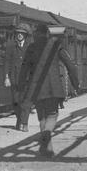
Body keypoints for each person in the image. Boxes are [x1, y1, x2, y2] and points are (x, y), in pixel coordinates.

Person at [18, 24, 79, 158]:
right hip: (53, 87)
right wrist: (76, 83)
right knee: (52, 115)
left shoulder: (31, 48)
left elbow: (23, 69)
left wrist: (21, 86)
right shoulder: (56, 46)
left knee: (42, 117)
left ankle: (46, 149)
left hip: (37, 89)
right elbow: (70, 65)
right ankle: (46, 138)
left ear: (35, 34)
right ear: (47, 34)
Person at [3, 22, 32, 131]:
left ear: (25, 35)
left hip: (27, 79)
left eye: (22, 33)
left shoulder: (30, 46)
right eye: (18, 33)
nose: (19, 35)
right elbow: (7, 62)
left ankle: (24, 123)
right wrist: (6, 77)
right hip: (14, 78)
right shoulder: (11, 46)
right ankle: (19, 119)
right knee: (15, 101)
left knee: (25, 101)